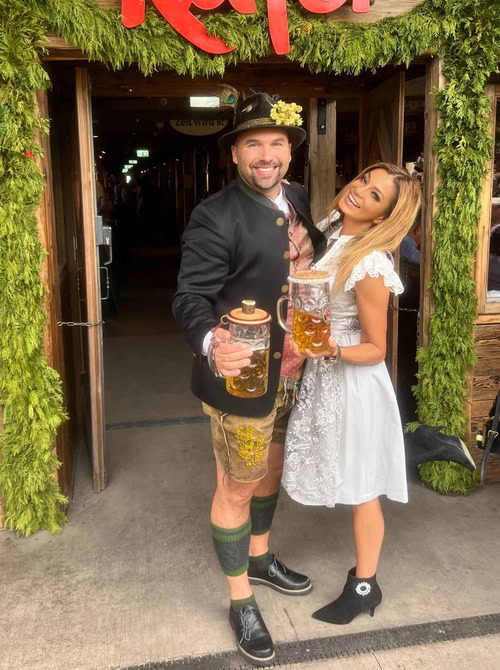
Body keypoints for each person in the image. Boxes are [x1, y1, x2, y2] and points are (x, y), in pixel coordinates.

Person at [172, 92, 326, 666]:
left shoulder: (299, 197)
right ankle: (241, 600)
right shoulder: (215, 215)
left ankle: (259, 556)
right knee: (237, 486)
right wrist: (213, 342)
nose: (266, 155)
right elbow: (190, 296)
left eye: (277, 143)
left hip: (296, 369)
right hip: (241, 377)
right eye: (253, 143)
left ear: (291, 151)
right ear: (235, 152)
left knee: (271, 470)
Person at [282, 162, 421, 625]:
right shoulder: (330, 231)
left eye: (375, 195)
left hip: (354, 383)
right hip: (325, 374)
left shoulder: (370, 262)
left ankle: (364, 586)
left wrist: (331, 349)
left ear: (383, 217)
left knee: (363, 486)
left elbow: (377, 348)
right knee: (348, 476)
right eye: (364, 180)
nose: (360, 191)